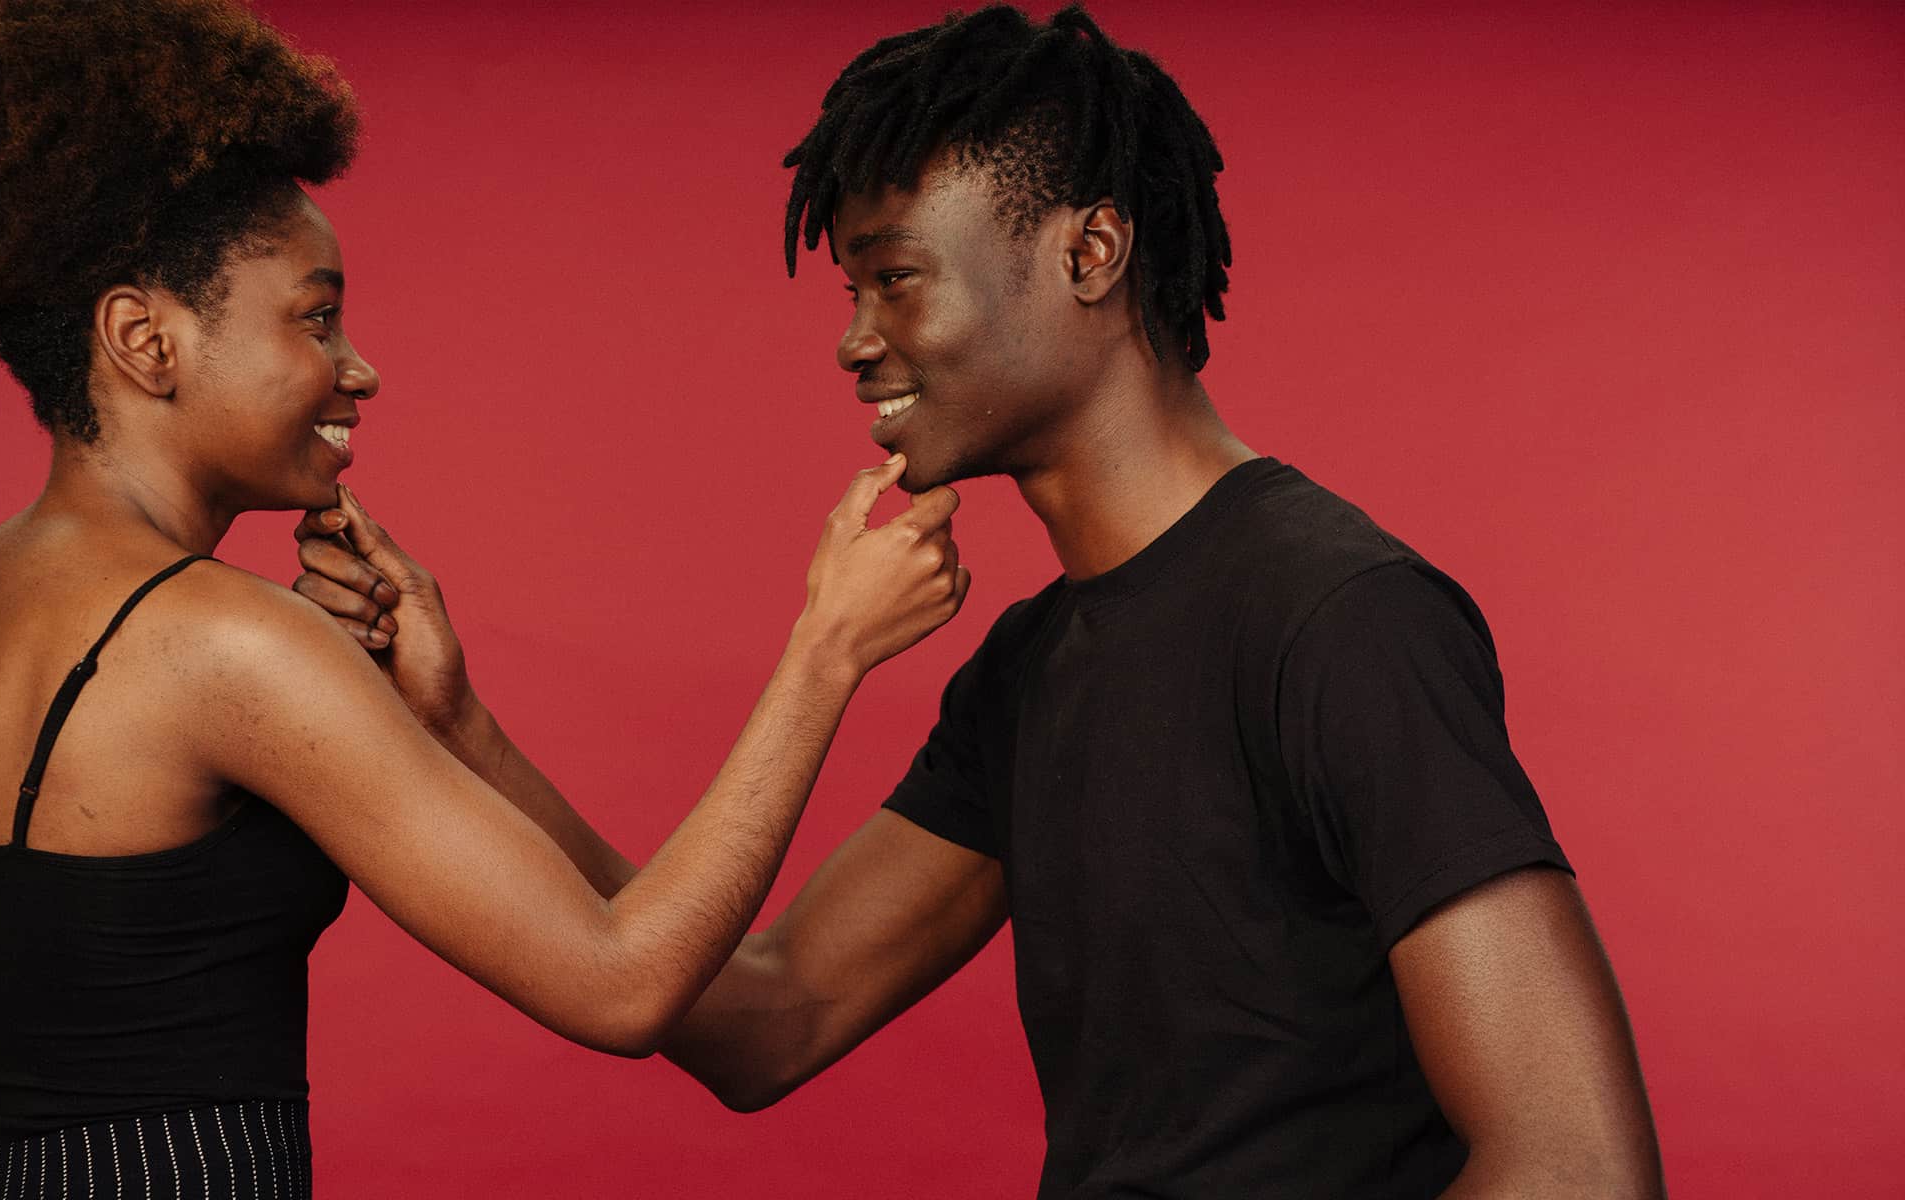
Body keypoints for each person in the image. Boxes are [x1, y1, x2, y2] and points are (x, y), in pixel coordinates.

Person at [296, 5, 1665, 1196]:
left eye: (895, 277)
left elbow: (1578, 1168)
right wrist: (462, 731)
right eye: (850, 288)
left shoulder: (1341, 616)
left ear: (1091, 253)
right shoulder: (1033, 662)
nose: (852, 336)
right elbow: (766, 1018)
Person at [0, 1, 967, 1194]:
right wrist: (829, 646)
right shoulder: (229, 643)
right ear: (146, 339)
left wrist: (447, 722)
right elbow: (622, 982)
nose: (359, 367)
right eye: (316, 315)